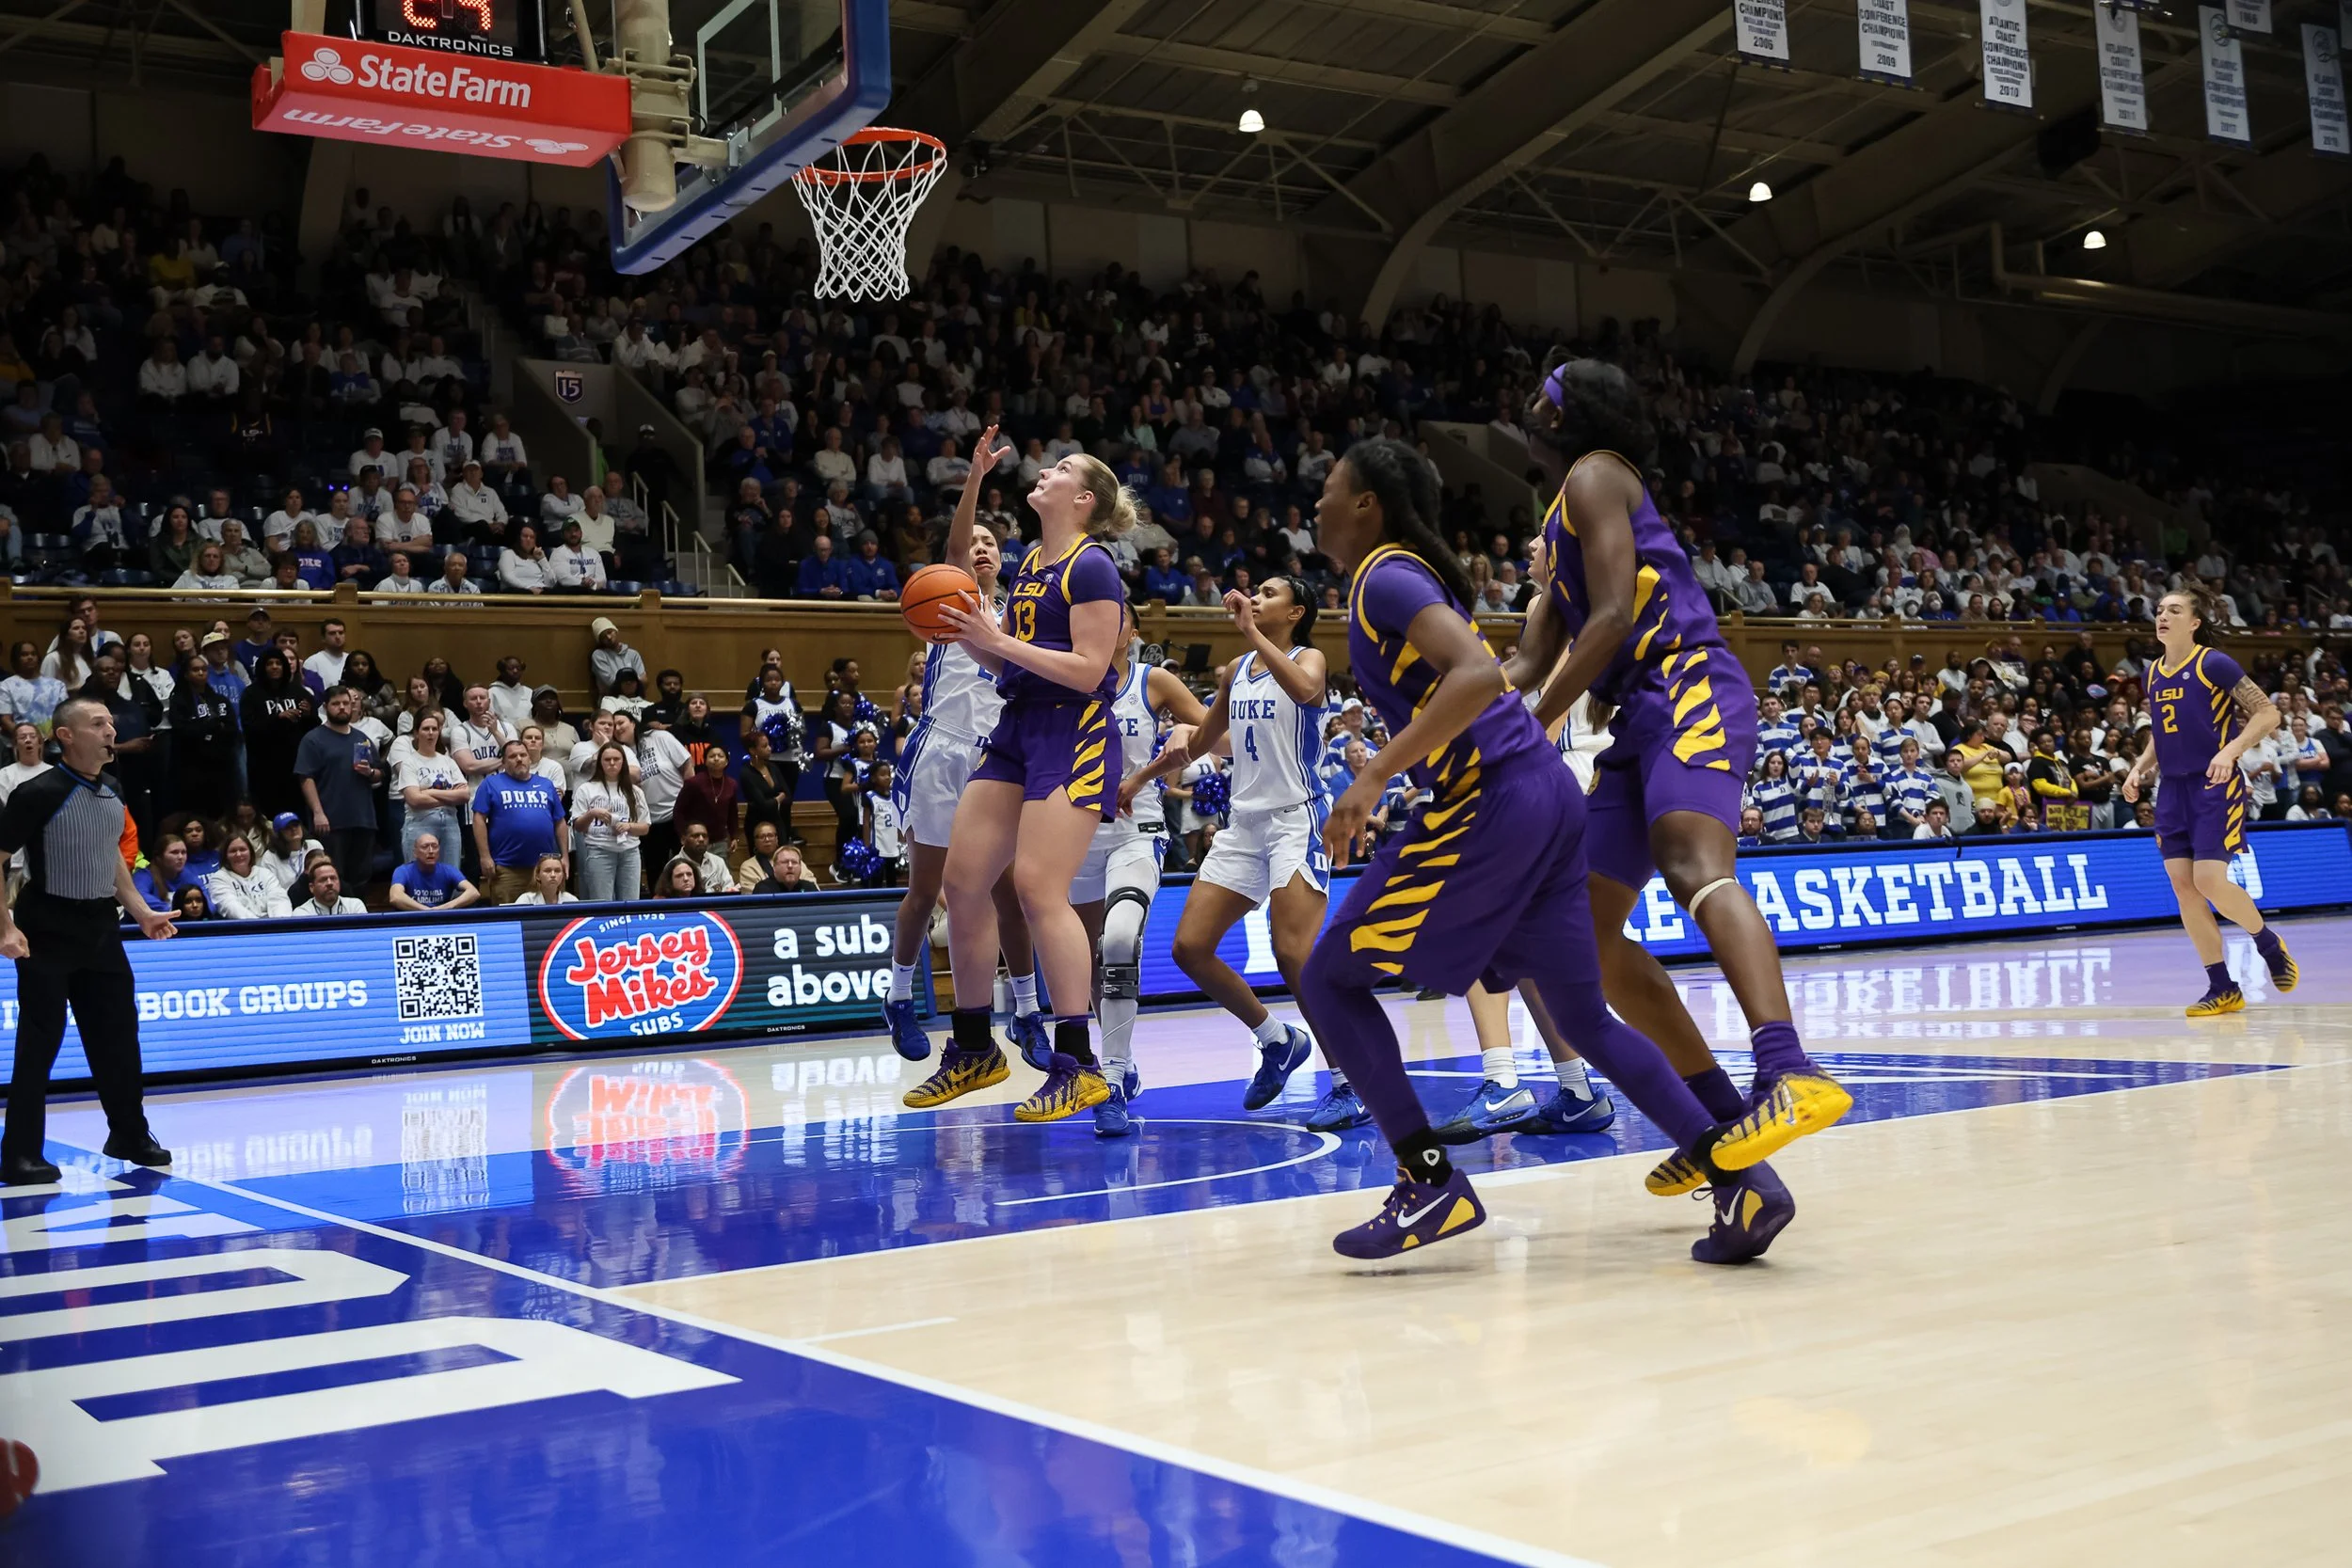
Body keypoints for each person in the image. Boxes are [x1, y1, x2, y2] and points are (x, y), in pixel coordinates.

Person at [1297, 437, 1784, 1262]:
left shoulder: (1384, 574)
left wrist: (1376, 772)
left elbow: (1477, 675)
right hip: (1541, 791)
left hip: (1493, 797)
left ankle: (1429, 1181)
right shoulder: (1384, 577)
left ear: (1368, 503)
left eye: (1330, 487)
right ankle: (1744, 1181)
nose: (1317, 502)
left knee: (1327, 978)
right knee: (1584, 1015)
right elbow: (1501, 670)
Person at [1503, 358, 1847, 1202]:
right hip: (1639, 719)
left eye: (1543, 391)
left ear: (1564, 416)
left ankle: (1788, 1066)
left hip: (1689, 680)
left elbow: (1616, 618)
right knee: (1581, 938)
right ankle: (1720, 1119)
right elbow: (1523, 660)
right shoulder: (1556, 525)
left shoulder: (1596, 475)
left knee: (1692, 860)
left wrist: (1539, 718)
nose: (1529, 399)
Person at [909, 446, 1135, 1123]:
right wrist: (962, 631)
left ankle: (1078, 1064)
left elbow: (1092, 668)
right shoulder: (1034, 562)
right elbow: (1006, 662)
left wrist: (998, 641)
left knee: (1038, 887)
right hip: (1017, 724)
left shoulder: (1093, 565)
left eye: (1063, 467)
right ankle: (975, 1045)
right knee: (964, 880)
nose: (1047, 470)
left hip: (1075, 730)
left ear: (1083, 498)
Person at [1121, 576, 1343, 1122]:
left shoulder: (1309, 657)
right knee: (1189, 949)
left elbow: (1307, 693)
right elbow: (1204, 742)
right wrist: (1141, 776)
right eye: (1256, 593)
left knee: (1293, 953)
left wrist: (1249, 630)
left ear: (1296, 612)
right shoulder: (1237, 672)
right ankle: (1276, 1040)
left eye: (1270, 594)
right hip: (1243, 825)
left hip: (1297, 819)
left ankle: (1347, 1080)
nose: (1257, 598)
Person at [877, 429, 1055, 1070]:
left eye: (989, 544)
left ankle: (1028, 1012)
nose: (979, 548)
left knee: (1012, 892)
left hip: (995, 758)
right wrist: (975, 477)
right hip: (940, 753)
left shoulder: (1019, 616)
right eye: (972, 543)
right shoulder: (952, 598)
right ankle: (898, 995)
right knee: (925, 891)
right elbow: (957, 543)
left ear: (1004, 561)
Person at [0, 696, 176, 1184]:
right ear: (66, 737)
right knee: (40, 1043)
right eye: (98, 724)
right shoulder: (38, 793)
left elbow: (110, 858)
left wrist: (142, 912)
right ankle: (19, 1154)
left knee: (119, 1037)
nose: (110, 731)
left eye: (112, 723)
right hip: (47, 926)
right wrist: (5, 926)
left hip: (101, 929)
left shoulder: (113, 791)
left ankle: (129, 1134)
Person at [2121, 587, 2296, 1015]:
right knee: (2184, 889)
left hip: (2214, 785)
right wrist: (2139, 766)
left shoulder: (2212, 663)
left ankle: (2268, 943)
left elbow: (2268, 713)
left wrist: (2231, 750)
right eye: (2160, 610)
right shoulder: (2154, 673)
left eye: (2174, 610)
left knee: (2209, 881)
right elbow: (2162, 736)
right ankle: (2222, 986)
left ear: (2194, 622)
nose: (2163, 616)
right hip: (2172, 790)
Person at [1070, 603, 1206, 1134]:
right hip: (1073, 832)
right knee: (1084, 963)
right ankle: (1118, 1061)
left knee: (1120, 941)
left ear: (1131, 631)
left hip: (1136, 829)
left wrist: (1183, 735)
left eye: (1117, 617)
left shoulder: (1156, 680)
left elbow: (1211, 732)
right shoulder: (1064, 677)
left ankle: (1112, 1076)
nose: (1107, 624)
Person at [294, 685, 383, 885]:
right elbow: (305, 778)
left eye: (346, 703)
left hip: (363, 819)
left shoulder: (361, 738)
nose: (342, 708)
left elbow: (379, 775)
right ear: (326, 707)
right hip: (330, 822)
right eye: (336, 704)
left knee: (361, 877)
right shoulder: (313, 739)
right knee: (333, 878)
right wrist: (318, 812)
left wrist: (369, 772)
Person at [471, 740, 568, 904]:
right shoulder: (491, 783)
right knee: (508, 920)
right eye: (513, 756)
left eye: (523, 755)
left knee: (544, 919)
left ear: (530, 759)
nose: (519, 759)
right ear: (503, 762)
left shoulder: (546, 785)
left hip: (543, 868)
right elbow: (479, 819)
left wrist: (564, 857)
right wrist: (485, 857)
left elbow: (559, 821)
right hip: (507, 867)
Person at [572, 739, 649, 900]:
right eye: (607, 760)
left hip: (630, 853)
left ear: (623, 762)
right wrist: (592, 813)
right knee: (602, 904)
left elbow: (645, 827)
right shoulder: (587, 789)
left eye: (616, 759)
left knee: (631, 904)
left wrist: (628, 826)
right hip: (599, 851)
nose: (612, 763)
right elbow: (578, 826)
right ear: (600, 763)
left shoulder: (635, 791)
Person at [394, 711, 469, 863]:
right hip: (420, 822)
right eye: (426, 729)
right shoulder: (410, 762)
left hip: (449, 823)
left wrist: (430, 792)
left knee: (451, 875)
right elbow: (415, 800)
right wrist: (450, 796)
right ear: (416, 733)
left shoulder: (448, 761)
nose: (431, 733)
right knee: (419, 875)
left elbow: (464, 795)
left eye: (434, 729)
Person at [204, 834, 294, 920]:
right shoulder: (219, 878)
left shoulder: (265, 873)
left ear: (251, 853)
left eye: (243, 849)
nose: (238, 854)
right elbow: (231, 908)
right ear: (226, 856)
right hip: (242, 930)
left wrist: (278, 924)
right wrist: (259, 926)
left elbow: (279, 899)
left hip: (273, 926)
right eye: (233, 851)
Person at [389, 830, 480, 911]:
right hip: (413, 918)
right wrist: (426, 910)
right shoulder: (403, 871)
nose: (431, 851)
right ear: (415, 852)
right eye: (425, 847)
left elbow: (473, 892)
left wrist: (445, 908)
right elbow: (395, 897)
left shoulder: (448, 870)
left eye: (435, 846)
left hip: (442, 917)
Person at [291, 857, 368, 916]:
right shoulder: (302, 913)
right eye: (323, 880)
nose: (329, 883)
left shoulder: (354, 906)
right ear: (312, 887)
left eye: (333, 878)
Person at [510, 853, 579, 905]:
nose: (553, 875)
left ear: (563, 875)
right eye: (547, 871)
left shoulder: (571, 900)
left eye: (557, 871)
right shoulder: (526, 900)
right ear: (537, 876)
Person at [753, 843, 820, 895]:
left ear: (800, 867)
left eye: (794, 862)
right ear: (775, 867)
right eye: (785, 862)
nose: (790, 866)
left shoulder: (809, 888)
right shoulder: (762, 889)